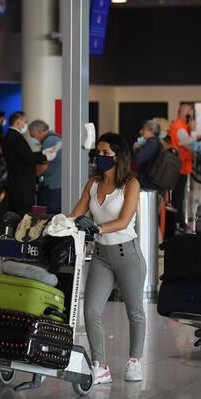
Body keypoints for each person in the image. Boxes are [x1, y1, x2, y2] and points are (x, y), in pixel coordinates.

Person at [69, 132, 145, 383]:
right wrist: (57, 224)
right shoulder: (92, 184)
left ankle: (135, 361)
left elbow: (124, 220)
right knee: (90, 311)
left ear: (118, 155)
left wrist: (97, 229)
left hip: (127, 254)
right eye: (98, 153)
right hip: (101, 256)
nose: (99, 158)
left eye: (105, 153)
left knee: (134, 312)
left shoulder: (130, 184)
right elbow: (77, 214)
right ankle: (100, 365)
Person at [2, 111, 53, 215]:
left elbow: (23, 154)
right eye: (25, 121)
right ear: (18, 121)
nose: (26, 124)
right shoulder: (16, 137)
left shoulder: (8, 135)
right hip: (22, 183)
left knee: (17, 210)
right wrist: (44, 157)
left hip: (15, 180)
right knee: (23, 212)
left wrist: (41, 153)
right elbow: (27, 157)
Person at [166, 104, 197, 235]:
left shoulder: (183, 126)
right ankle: (178, 223)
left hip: (182, 165)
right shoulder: (179, 127)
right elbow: (188, 144)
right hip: (179, 167)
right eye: (188, 111)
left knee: (178, 196)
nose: (191, 113)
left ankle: (177, 222)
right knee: (178, 197)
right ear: (182, 112)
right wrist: (194, 131)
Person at [28, 119, 63, 214]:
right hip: (59, 184)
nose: (34, 138)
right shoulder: (57, 138)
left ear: (38, 132)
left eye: (32, 135)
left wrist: (32, 176)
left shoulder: (48, 141)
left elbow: (44, 166)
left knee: (50, 215)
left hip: (52, 185)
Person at [133, 119, 164, 192]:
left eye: (143, 129)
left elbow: (138, 159)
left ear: (151, 131)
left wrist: (136, 148)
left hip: (150, 185)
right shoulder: (156, 142)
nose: (140, 132)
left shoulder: (152, 143)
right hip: (153, 184)